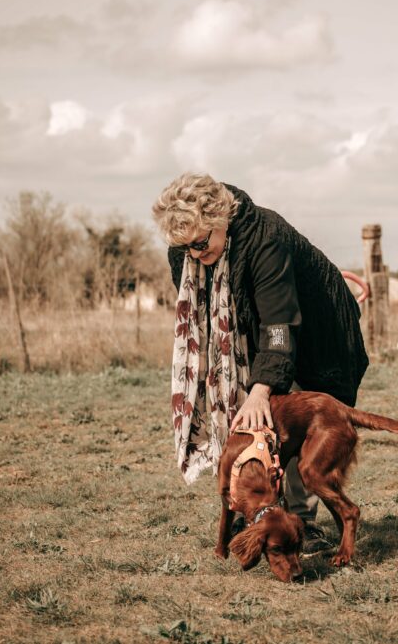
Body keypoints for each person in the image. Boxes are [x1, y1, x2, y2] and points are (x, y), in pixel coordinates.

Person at [152, 173, 369, 552]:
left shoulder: (265, 238)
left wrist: (262, 388)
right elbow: (205, 316)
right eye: (186, 248)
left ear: (221, 220)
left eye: (202, 244)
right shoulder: (188, 248)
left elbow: (279, 324)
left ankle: (304, 522)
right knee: (248, 418)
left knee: (301, 431)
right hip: (255, 335)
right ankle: (258, 511)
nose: (196, 255)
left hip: (320, 337)